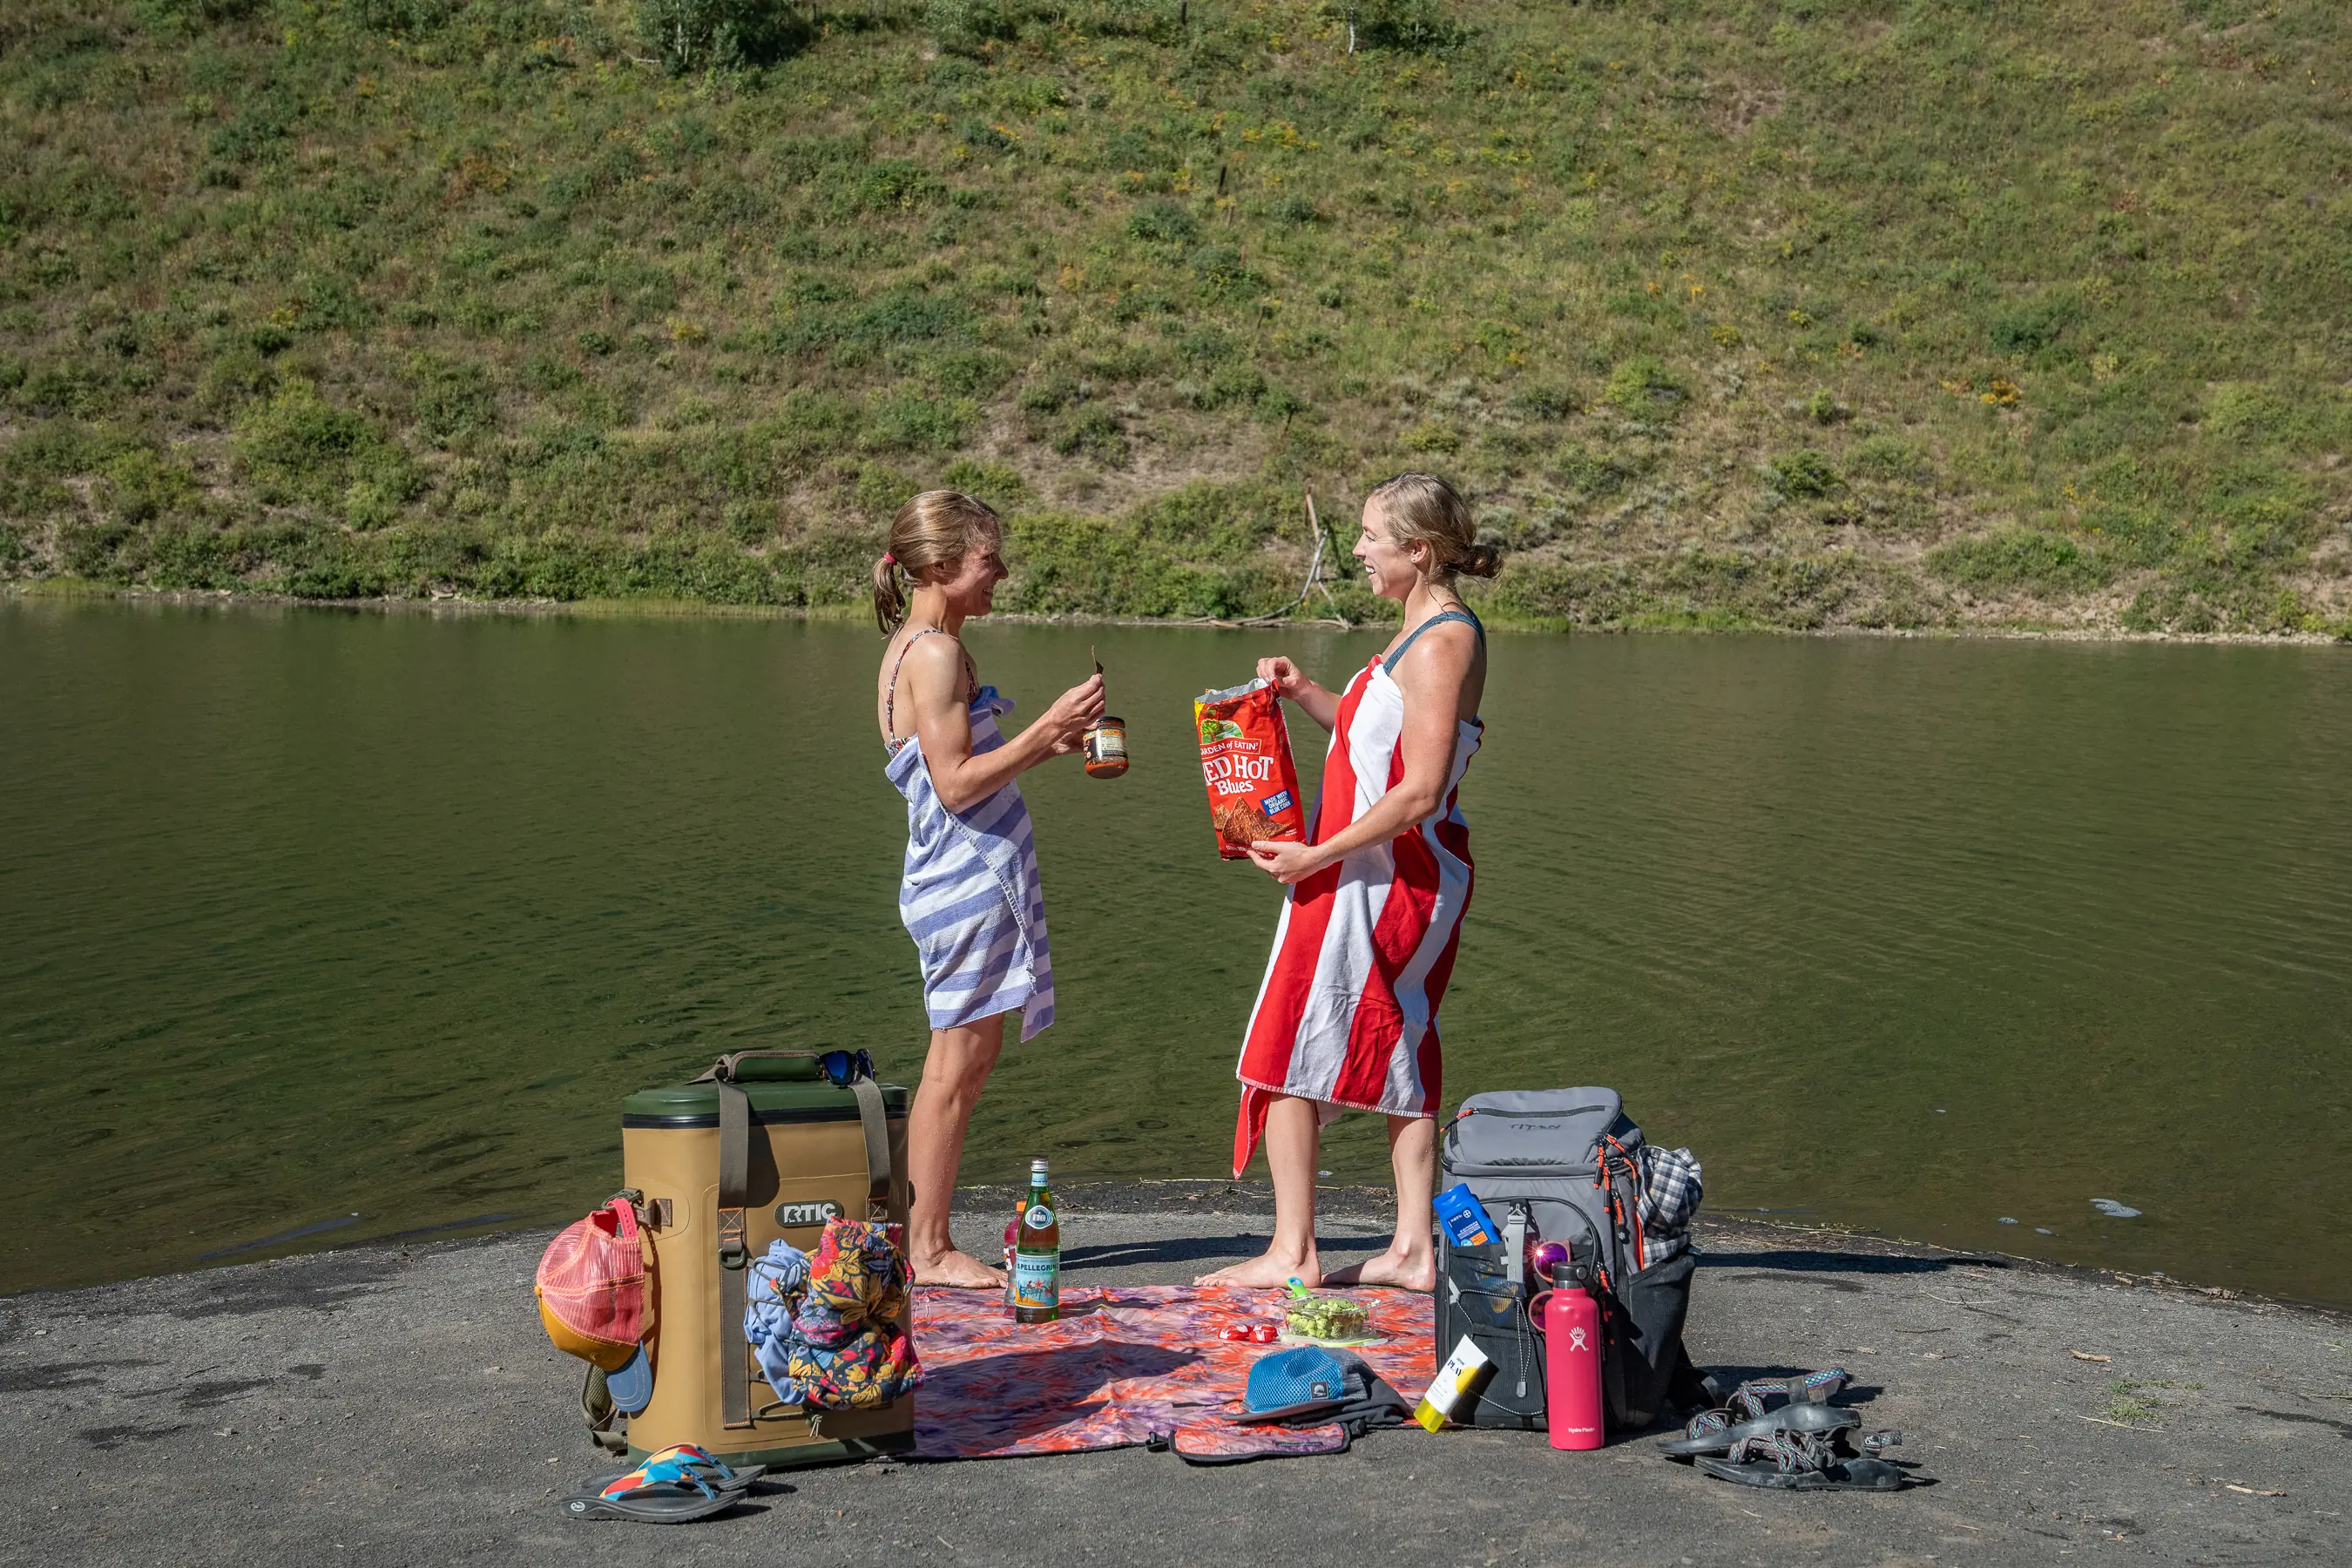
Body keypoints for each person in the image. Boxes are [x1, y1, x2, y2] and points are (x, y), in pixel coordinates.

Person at [1198, 473, 1497, 1292]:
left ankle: (1297, 1251)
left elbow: (1420, 791)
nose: (1358, 550)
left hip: (1388, 880)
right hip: (1363, 873)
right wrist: (1304, 695)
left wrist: (1317, 856)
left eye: (1370, 537)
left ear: (1419, 551)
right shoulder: (1417, 634)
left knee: (1287, 1042)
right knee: (1393, 1038)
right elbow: (1376, 746)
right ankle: (1408, 1250)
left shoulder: (1444, 641)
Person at [873, 490, 1104, 1288]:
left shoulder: (930, 645)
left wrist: (1048, 746)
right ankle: (927, 1247)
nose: (1001, 571)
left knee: (970, 1057)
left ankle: (924, 1237)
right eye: (987, 558)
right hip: (962, 880)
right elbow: (956, 784)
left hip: (966, 876)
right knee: (956, 1060)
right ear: (940, 566)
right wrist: (1042, 729)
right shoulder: (932, 653)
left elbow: (964, 773)